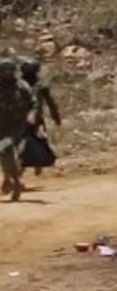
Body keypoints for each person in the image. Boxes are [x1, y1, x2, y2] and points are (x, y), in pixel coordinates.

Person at [0, 58, 35, 201]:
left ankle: (13, 180)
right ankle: (10, 179)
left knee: (4, 148)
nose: (8, 73)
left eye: (11, 70)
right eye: (5, 71)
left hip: (16, 124)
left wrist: (31, 115)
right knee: (4, 153)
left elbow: (33, 103)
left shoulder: (22, 86)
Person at [20, 56, 60, 178]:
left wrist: (56, 116)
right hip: (19, 118)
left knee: (38, 139)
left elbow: (50, 102)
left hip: (35, 119)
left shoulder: (40, 86)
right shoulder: (18, 85)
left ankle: (38, 162)